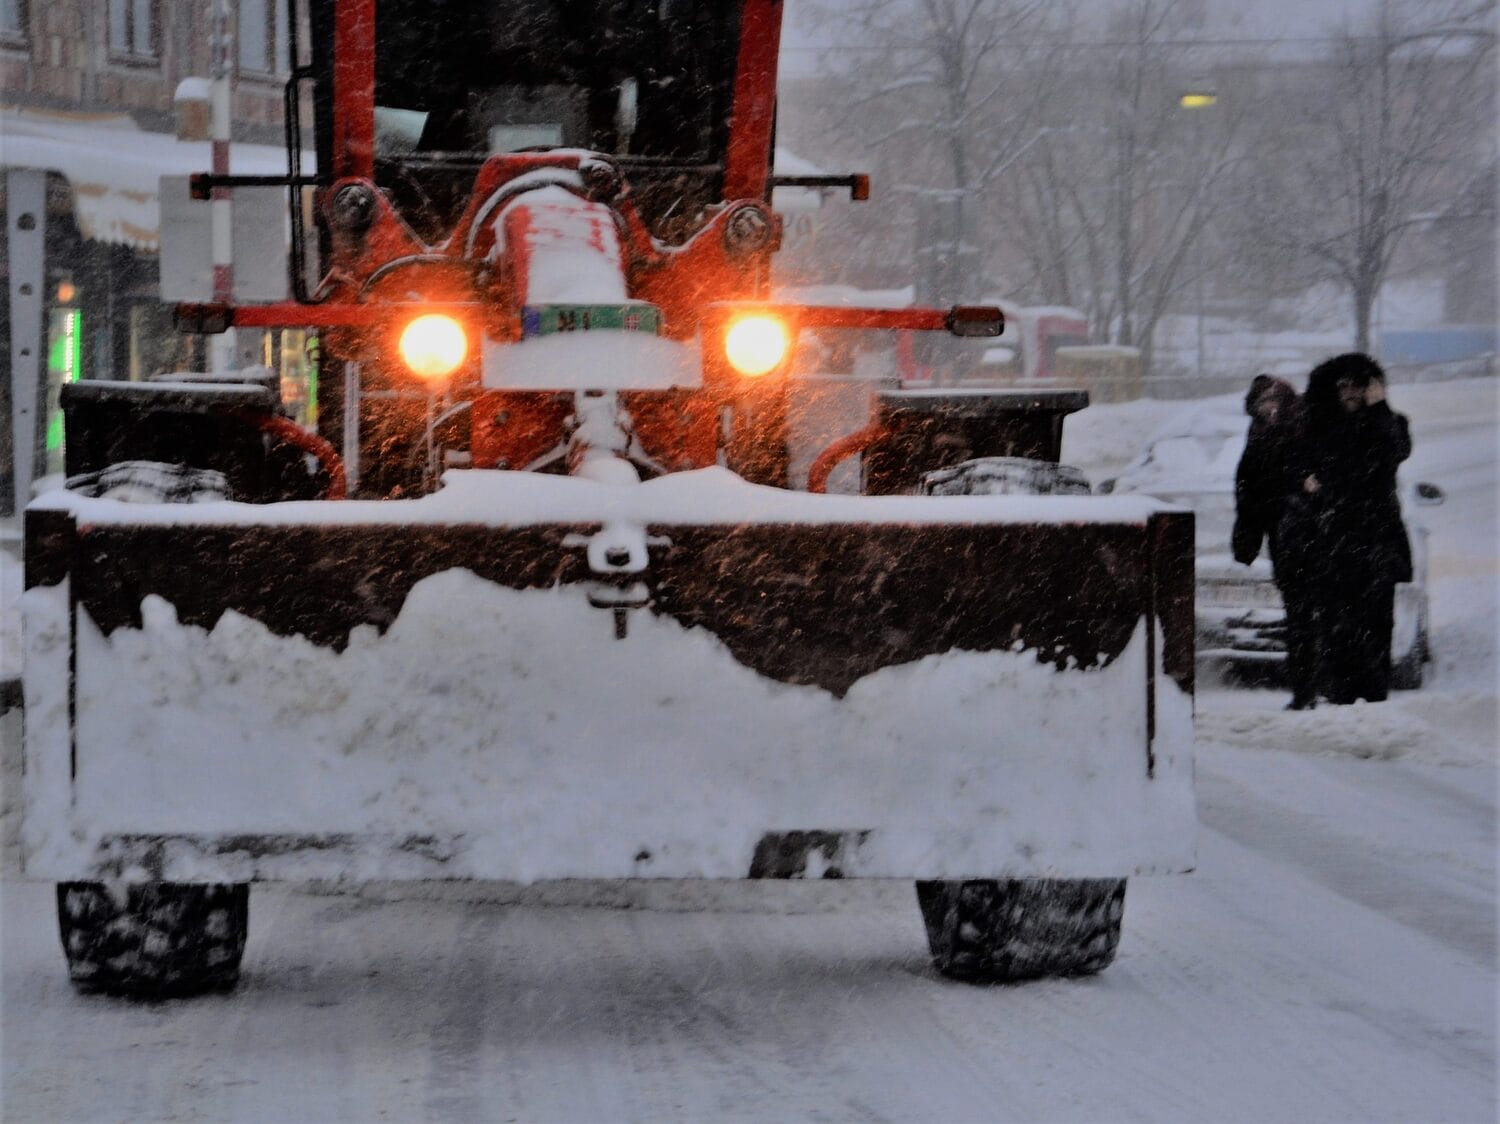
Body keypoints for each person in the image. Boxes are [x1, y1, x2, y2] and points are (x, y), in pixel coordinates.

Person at [1300, 353, 1413, 704]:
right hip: (1334, 540)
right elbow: (1300, 468)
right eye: (1343, 386)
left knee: (1376, 621)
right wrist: (1306, 481)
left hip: (1376, 541)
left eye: (1357, 386)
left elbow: (1395, 451)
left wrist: (1379, 409)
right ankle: (1340, 693)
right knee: (1336, 622)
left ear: (1371, 389)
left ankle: (1374, 693)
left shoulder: (1389, 422)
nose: (1349, 393)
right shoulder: (1320, 427)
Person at [1231, 374, 1323, 709]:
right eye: (1261, 403)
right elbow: (1248, 487)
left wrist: (1305, 486)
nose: (1268, 408)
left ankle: (1315, 688)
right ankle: (1304, 690)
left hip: (1312, 536)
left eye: (1273, 401)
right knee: (1297, 614)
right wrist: (1247, 538)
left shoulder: (1304, 428)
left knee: (1313, 614)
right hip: (1283, 537)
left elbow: (1318, 475)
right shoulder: (1258, 434)